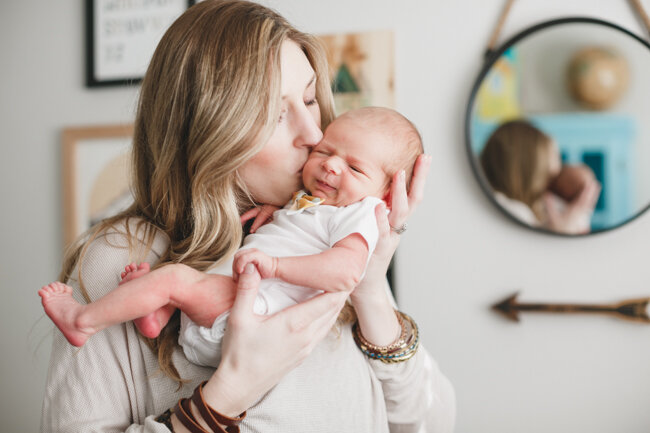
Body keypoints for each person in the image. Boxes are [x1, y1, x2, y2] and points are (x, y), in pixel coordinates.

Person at [40, 1, 455, 432]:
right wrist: (229, 394)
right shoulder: (117, 258)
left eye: (310, 98)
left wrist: (370, 287)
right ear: (207, 132)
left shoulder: (322, 226)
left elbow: (433, 422)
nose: (314, 134)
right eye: (276, 115)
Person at [39, 107, 423, 366]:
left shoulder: (362, 214)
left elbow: (344, 272)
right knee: (180, 281)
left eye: (355, 168)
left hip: (257, 316)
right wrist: (283, 212)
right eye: (325, 150)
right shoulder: (318, 205)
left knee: (175, 279)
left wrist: (275, 264)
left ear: (387, 196)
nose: (330, 165)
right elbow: (312, 229)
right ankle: (157, 313)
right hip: (243, 311)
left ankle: (83, 320)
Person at [479, 119, 601, 234]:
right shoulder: (515, 212)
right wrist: (561, 235)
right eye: (549, 179)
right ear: (528, 175)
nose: (551, 191)